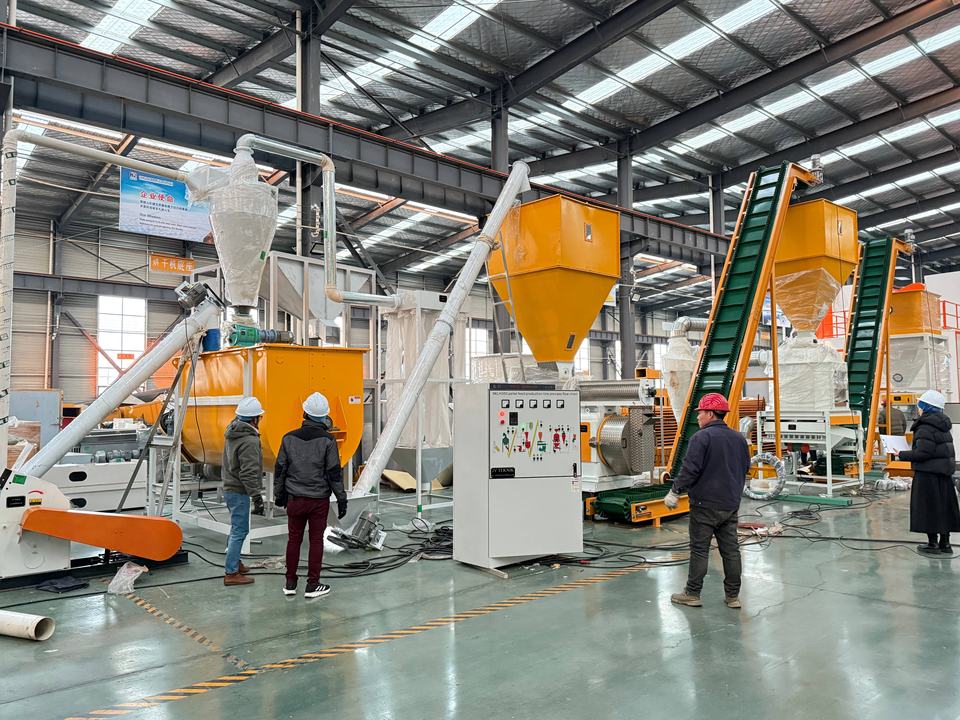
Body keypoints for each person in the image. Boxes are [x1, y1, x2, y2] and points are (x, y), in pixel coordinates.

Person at [665, 393, 752, 609]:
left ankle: (692, 593)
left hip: (704, 505)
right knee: (731, 551)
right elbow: (745, 468)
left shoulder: (701, 438)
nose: (698, 417)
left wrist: (675, 491)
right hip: (730, 505)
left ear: (711, 413)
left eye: (701, 412)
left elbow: (690, 469)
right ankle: (733, 597)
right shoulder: (739, 439)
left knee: (699, 549)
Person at [274, 392, 348, 599]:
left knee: (293, 540)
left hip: (294, 499)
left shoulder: (288, 438)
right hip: (318, 500)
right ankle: (312, 585)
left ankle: (290, 583)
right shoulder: (328, 441)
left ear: (305, 413)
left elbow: (280, 469)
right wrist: (341, 499)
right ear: (325, 417)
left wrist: (279, 494)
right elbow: (334, 473)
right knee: (316, 541)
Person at [897, 389, 958, 555]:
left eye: (920, 405)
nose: (918, 408)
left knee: (929, 508)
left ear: (925, 407)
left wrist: (900, 454)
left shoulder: (925, 427)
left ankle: (933, 544)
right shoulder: (943, 425)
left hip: (928, 474)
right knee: (944, 508)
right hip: (944, 474)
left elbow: (923, 453)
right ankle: (945, 544)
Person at [221, 396, 265, 586]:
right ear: (254, 419)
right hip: (239, 490)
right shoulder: (249, 441)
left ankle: (235, 562)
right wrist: (257, 496)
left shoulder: (233, 432)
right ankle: (231, 573)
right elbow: (248, 472)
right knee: (240, 530)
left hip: (230, 487)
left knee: (236, 528)